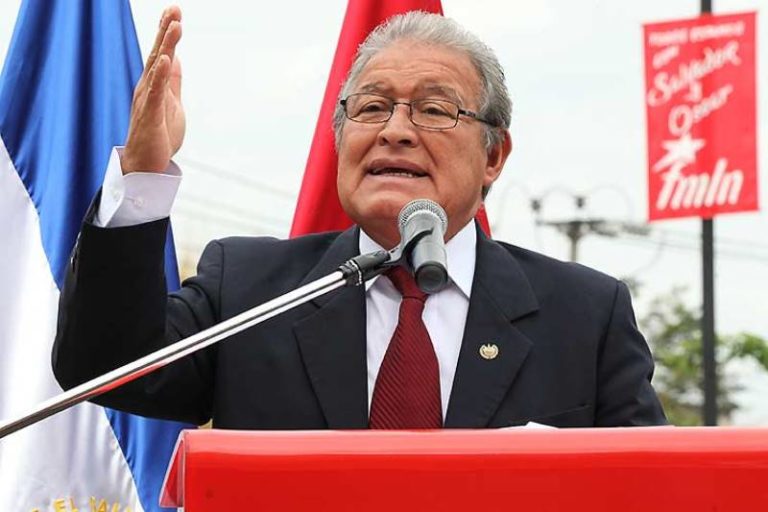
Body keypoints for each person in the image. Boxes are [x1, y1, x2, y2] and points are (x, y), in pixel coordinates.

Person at [52, 7, 666, 429]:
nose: (395, 131)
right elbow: (104, 368)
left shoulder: (585, 316)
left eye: (433, 110)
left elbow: (651, 488)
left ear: (493, 157)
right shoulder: (249, 288)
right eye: (370, 108)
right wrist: (142, 176)